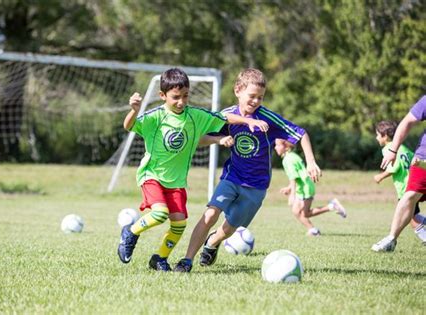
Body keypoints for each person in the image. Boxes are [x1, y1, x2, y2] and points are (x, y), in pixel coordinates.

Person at [117, 68, 268, 271]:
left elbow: (224, 118)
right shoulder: (155, 117)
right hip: (152, 176)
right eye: (175, 97)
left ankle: (159, 258)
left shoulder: (195, 116)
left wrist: (248, 120)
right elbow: (129, 125)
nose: (181, 101)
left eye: (185, 96)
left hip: (177, 181)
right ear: (162, 96)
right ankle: (130, 232)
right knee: (160, 213)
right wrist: (134, 110)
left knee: (179, 225)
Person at [174, 68, 322, 273]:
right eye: (252, 96)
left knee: (230, 228)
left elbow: (300, 133)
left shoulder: (268, 118)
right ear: (238, 91)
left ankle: (212, 242)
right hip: (231, 177)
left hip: (256, 185)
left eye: (260, 97)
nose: (255, 101)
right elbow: (199, 140)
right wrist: (218, 139)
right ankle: (186, 260)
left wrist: (311, 162)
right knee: (210, 215)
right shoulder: (225, 116)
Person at [372, 96, 426, 252]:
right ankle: (391, 239)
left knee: (412, 212)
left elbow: (394, 169)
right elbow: (407, 121)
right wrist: (393, 150)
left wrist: (380, 176)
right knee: (409, 198)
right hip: (423, 158)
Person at [274, 139, 346, 236]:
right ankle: (316, 225)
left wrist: (292, 194)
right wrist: (289, 188)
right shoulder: (292, 156)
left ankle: (315, 228)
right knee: (299, 212)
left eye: (278, 145)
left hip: (305, 188)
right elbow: (298, 175)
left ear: (286, 147)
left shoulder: (287, 159)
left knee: (302, 213)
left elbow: (293, 177)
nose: (275, 148)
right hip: (304, 186)